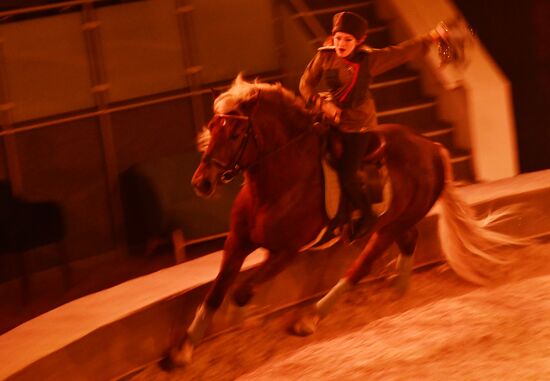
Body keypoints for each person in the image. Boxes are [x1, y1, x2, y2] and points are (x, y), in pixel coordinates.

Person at [300, 11, 447, 240]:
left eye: (348, 40)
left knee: (347, 173)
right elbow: (305, 83)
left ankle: (366, 215)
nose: (341, 44)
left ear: (359, 41)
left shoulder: (369, 60)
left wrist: (432, 37)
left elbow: (402, 52)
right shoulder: (325, 56)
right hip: (329, 118)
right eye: (338, 38)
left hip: (358, 125)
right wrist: (322, 105)